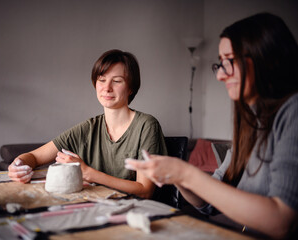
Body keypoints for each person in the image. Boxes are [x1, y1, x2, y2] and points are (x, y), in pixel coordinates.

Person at [125, 13, 298, 238]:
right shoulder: (252, 124)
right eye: (220, 63)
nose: (220, 76)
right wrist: (177, 176)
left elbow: (281, 220)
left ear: (263, 56)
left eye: (229, 61)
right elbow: (209, 203)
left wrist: (186, 173)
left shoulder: (292, 112)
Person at [8, 49, 167, 198]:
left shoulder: (146, 126)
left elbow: (145, 190)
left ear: (131, 88)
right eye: (102, 80)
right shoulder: (88, 128)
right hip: (96, 209)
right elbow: (34, 157)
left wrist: (88, 172)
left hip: (137, 214)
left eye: (117, 81)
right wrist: (18, 165)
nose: (107, 88)